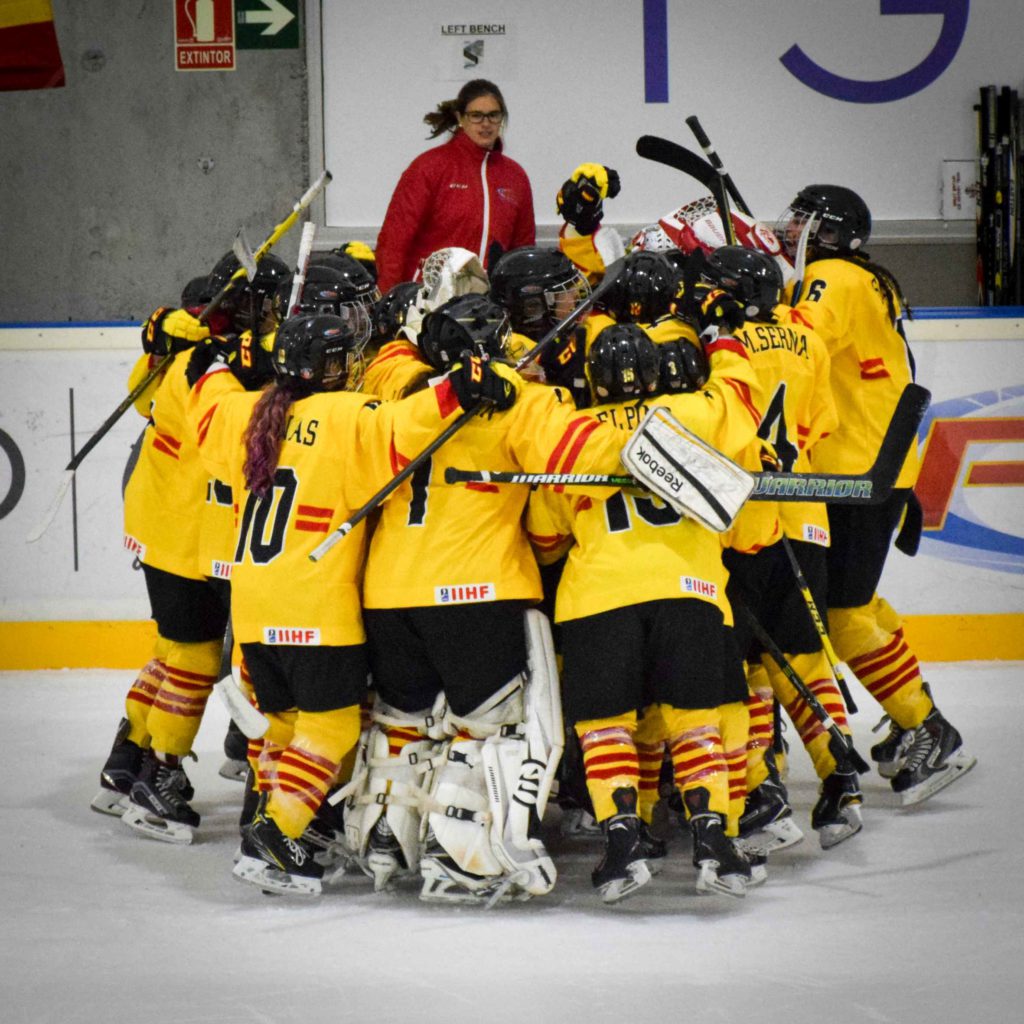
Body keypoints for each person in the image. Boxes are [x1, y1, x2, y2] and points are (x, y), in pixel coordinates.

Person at [186, 311, 519, 896]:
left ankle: (272, 830)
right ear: (331, 367)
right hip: (316, 601)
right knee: (333, 726)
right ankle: (277, 832)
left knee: (282, 726)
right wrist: (459, 386)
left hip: (256, 603)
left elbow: (206, 408)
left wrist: (209, 364)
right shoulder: (347, 413)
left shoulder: (247, 410)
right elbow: (405, 426)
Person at [525, 320, 768, 901]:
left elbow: (544, 536)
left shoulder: (572, 434)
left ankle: (622, 842)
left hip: (598, 602)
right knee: (695, 723)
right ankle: (713, 838)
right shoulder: (692, 414)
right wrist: (724, 337)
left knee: (607, 728)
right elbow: (743, 396)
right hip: (690, 593)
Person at [776, 184, 976, 806]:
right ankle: (916, 706)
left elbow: (796, 345)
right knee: (854, 599)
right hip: (872, 468)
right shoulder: (862, 279)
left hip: (854, 474)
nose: (792, 228)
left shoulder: (831, 277)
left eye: (804, 220)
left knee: (841, 611)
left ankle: (926, 725)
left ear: (831, 234)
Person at [91, 252, 288, 843]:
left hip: (167, 526)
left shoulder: (192, 354)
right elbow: (239, 436)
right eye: (269, 303)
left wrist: (166, 346)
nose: (277, 312)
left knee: (173, 648)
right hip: (197, 534)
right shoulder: (204, 367)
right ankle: (161, 777)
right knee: (201, 658)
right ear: (245, 305)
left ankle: (130, 759)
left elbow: (143, 396)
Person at [374, 79, 535, 292]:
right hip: (428, 299)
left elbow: (522, 252)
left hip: (487, 305)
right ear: (461, 118)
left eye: (493, 115)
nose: (486, 124)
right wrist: (388, 299)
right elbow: (395, 240)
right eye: (476, 115)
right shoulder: (429, 167)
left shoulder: (515, 176)